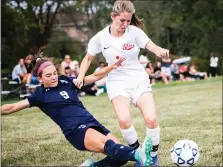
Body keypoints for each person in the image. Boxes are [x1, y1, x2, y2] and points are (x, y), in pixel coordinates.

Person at [1, 56, 153, 167]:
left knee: (120, 156)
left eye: (54, 73)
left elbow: (92, 77)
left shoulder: (65, 81)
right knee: (111, 146)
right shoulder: (39, 95)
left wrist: (111, 67)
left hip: (91, 121)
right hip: (75, 130)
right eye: (48, 75)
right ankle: (139, 154)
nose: (54, 77)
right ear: (39, 78)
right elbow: (12, 107)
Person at [75, 1, 169, 165]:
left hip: (138, 79)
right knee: (124, 121)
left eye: (128, 20)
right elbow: (87, 58)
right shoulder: (100, 37)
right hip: (117, 82)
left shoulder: (134, 32)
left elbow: (150, 45)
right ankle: (139, 153)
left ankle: (153, 156)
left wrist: (160, 51)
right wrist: (80, 76)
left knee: (151, 119)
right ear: (113, 16)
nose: (126, 24)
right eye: (122, 21)